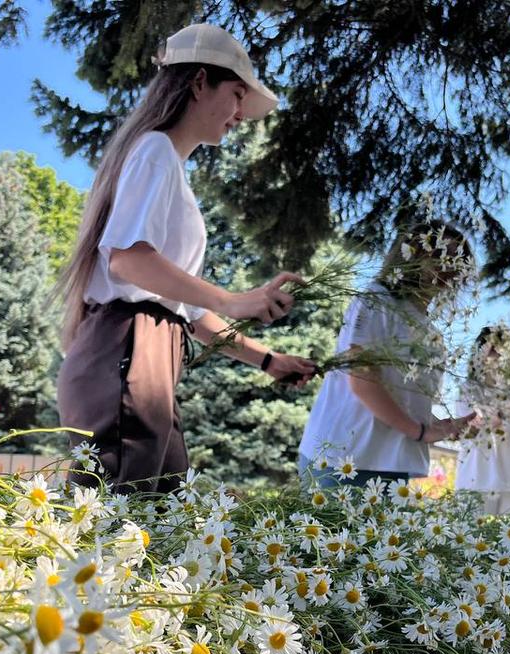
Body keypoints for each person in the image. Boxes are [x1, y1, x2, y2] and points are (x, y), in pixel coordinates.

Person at [55, 23, 316, 494]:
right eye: (237, 95)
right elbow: (129, 263)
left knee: (157, 520)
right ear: (199, 82)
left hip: (147, 353)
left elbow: (188, 311)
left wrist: (268, 360)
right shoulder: (155, 150)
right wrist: (236, 300)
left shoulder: (165, 164)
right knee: (115, 527)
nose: (240, 114)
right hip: (129, 348)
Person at [299, 222, 477, 487]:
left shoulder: (429, 330)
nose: (448, 267)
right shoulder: (376, 300)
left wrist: (438, 427)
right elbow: (362, 379)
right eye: (439, 255)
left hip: (391, 463)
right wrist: (419, 431)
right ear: (411, 255)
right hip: (343, 458)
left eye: (457, 261)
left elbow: (403, 400)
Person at [456, 325, 510, 515]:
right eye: (493, 349)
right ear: (479, 353)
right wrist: (508, 413)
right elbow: (478, 424)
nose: (499, 356)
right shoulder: (468, 389)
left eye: (505, 350)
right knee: (470, 538)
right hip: (476, 477)